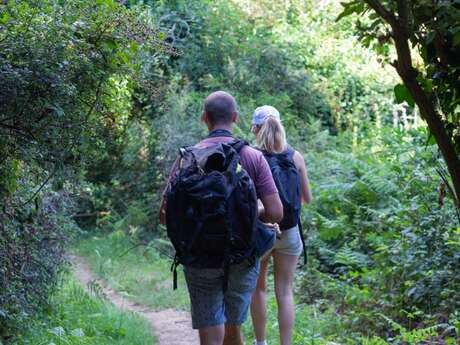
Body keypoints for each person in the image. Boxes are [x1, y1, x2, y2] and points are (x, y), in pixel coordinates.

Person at [159, 92, 283, 345]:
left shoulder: (187, 158)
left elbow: (164, 214)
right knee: (233, 326)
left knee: (209, 327)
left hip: (198, 254)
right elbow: (276, 212)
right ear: (235, 118)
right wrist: (247, 212)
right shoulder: (253, 156)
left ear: (205, 118)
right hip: (242, 254)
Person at [249, 106, 312, 345]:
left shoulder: (252, 157)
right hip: (290, 231)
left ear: (256, 128)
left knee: (259, 288)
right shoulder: (296, 157)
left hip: (261, 230)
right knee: (285, 291)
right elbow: (307, 198)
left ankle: (261, 342)